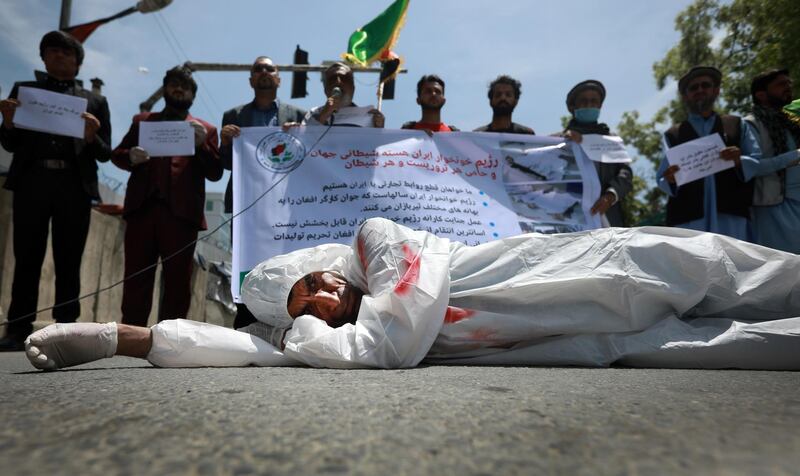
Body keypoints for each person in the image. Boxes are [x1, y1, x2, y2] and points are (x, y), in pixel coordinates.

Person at [24, 218, 800, 371]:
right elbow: (241, 352)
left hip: (603, 263)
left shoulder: (381, 243)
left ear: (326, 266)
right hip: (586, 340)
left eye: (313, 287)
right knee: (758, 347)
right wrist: (121, 338)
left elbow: (389, 341)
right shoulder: (329, 336)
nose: (321, 302)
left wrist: (330, 346)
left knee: (748, 277)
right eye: (305, 310)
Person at [0, 31, 112, 351]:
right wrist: (7, 121)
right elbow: (9, 142)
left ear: (78, 63)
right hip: (32, 182)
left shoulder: (95, 101)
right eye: (52, 51)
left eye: (67, 52)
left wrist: (92, 136)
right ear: (43, 57)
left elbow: (106, 153)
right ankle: (17, 328)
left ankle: (65, 330)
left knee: (68, 259)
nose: (59, 56)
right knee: (27, 257)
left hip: (73, 187)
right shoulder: (25, 91)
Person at [111, 67, 223, 327]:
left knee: (178, 281)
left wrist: (202, 146)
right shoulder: (143, 121)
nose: (179, 89)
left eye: (185, 86)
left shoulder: (205, 129)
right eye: (174, 84)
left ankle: (170, 337)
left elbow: (216, 172)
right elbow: (117, 154)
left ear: (193, 95)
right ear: (165, 90)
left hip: (181, 216)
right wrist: (130, 157)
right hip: (143, 211)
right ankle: (132, 334)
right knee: (136, 276)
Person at [219, 56, 306, 328]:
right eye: (258, 69)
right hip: (247, 207)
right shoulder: (233, 116)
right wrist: (224, 142)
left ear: (279, 79)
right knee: (247, 262)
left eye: (270, 68)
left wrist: (302, 134)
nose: (264, 72)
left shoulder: (297, 115)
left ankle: (287, 320)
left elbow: (311, 159)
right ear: (250, 80)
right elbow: (225, 164)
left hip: (285, 205)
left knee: (286, 263)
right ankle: (245, 319)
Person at [656, 66, 762, 240]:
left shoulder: (736, 124)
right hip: (688, 220)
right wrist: (670, 179)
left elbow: (756, 160)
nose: (700, 90)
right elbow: (662, 178)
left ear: (716, 90)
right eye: (693, 87)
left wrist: (738, 160)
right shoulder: (672, 135)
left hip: (731, 215)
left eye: (705, 85)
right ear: (685, 96)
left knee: (734, 264)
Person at [743, 68, 800, 253]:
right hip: (775, 208)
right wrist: (795, 156)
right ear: (761, 95)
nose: (788, 87)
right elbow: (751, 167)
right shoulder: (750, 124)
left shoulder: (791, 121)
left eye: (788, 83)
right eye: (781, 84)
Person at [562, 80, 633, 226]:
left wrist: (610, 196)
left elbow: (625, 173)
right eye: (584, 101)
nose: (589, 105)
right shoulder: (560, 141)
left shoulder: (610, 139)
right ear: (572, 107)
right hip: (572, 218)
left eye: (594, 101)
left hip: (609, 218)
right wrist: (566, 143)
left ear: (600, 106)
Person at [302, 62, 384, 128]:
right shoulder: (314, 113)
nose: (338, 82)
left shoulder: (369, 116)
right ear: (325, 90)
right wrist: (324, 114)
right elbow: (303, 141)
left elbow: (375, 146)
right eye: (332, 79)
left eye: (344, 79)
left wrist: (378, 129)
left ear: (353, 88)